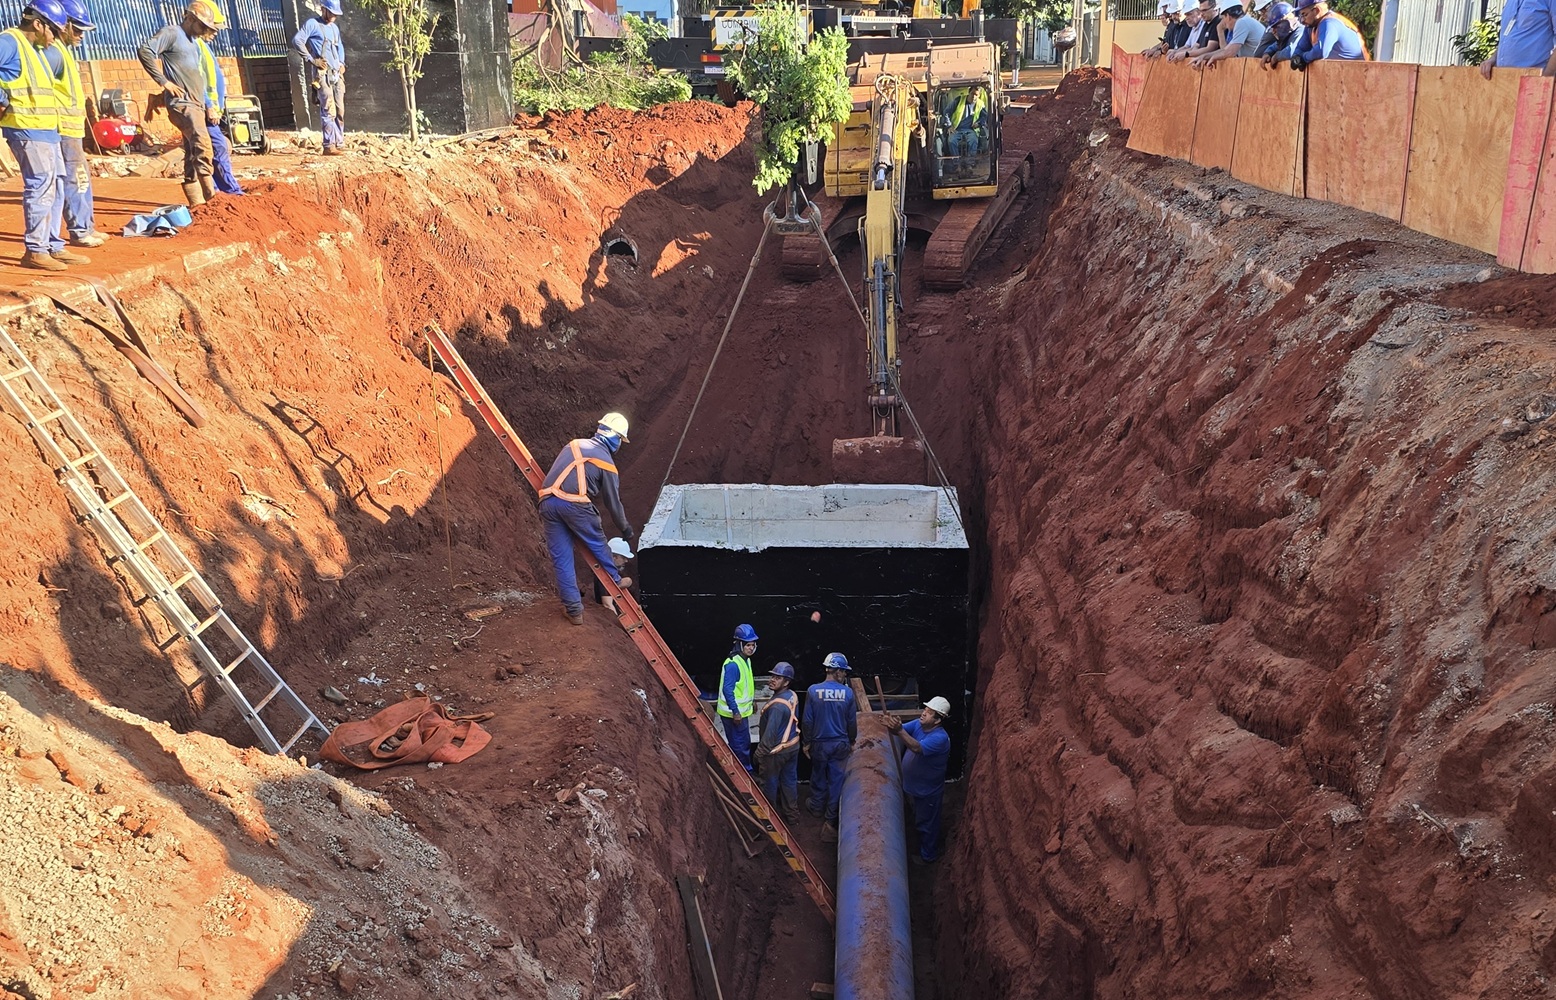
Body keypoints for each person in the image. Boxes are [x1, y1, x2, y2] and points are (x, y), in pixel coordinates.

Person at [2, 0, 81, 271]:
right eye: (53, 31)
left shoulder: (36, 50)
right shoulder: (10, 42)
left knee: (56, 186)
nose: (55, 38)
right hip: (26, 127)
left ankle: (52, 244)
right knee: (39, 187)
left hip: (48, 130)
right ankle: (35, 250)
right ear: (38, 23)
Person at [537, 412, 634, 626]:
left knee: (562, 558)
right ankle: (616, 580)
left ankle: (573, 610)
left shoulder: (573, 445)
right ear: (616, 438)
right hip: (574, 504)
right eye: (620, 440)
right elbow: (613, 503)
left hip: (547, 502)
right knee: (598, 543)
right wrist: (625, 528)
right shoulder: (606, 463)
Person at [138, 0, 225, 207]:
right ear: (191, 18)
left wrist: (207, 103)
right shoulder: (172, 33)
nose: (205, 31)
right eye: (203, 26)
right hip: (182, 103)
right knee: (203, 144)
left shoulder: (193, 43)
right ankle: (211, 198)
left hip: (195, 103)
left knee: (192, 150)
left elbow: (197, 78)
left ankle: (197, 204)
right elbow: (145, 51)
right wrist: (164, 82)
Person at [48, 0, 108, 248]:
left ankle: (85, 226)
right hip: (62, 128)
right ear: (63, 25)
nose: (81, 35)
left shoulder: (62, 51)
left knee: (78, 178)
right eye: (77, 29)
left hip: (71, 128)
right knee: (75, 179)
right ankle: (81, 230)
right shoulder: (53, 53)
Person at [885, 696, 953, 865]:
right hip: (913, 787)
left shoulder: (940, 738)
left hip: (927, 792)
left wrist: (899, 730)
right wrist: (893, 724)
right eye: (924, 710)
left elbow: (916, 747)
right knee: (918, 819)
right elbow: (899, 730)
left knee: (927, 824)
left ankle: (928, 856)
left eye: (929, 713)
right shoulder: (919, 725)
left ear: (937, 720)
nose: (923, 714)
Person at [803, 651, 858, 843]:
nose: (845, 675)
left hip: (819, 743)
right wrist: (852, 740)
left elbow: (808, 721)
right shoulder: (848, 693)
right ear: (837, 671)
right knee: (836, 781)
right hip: (840, 742)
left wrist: (807, 743)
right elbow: (852, 722)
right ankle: (830, 820)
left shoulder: (812, 691)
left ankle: (816, 807)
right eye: (844, 672)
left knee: (818, 775)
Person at [292, 0, 346, 155]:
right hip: (322, 75)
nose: (334, 17)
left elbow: (339, 46)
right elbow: (297, 40)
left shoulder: (334, 28)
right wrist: (312, 59)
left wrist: (342, 63)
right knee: (329, 108)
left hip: (336, 74)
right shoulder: (312, 24)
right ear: (324, 10)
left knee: (340, 109)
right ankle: (329, 145)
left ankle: (339, 141)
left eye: (336, 14)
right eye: (332, 13)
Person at [195, 35, 242, 195]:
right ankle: (230, 191)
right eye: (213, 28)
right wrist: (209, 105)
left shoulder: (202, 45)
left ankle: (218, 190)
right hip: (204, 109)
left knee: (213, 148)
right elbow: (196, 80)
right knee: (217, 147)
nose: (215, 33)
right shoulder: (194, 45)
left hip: (211, 108)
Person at [755, 661, 801, 820]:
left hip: (775, 752)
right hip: (793, 746)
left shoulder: (776, 707)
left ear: (786, 682)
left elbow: (769, 737)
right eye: (773, 676)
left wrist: (759, 755)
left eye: (778, 677)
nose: (773, 679)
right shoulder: (792, 695)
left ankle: (770, 819)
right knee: (789, 781)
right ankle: (792, 816)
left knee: (769, 784)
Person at [1272, 0, 1367, 68]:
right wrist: (1297, 57)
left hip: (1357, 74)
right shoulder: (1310, 26)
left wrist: (1303, 58)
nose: (1302, 20)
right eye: (1301, 15)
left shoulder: (1330, 23)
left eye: (1304, 14)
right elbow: (1300, 48)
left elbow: (1321, 51)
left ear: (1316, 11)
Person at [718, 624, 759, 772]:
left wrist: (752, 700)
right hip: (733, 715)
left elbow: (745, 685)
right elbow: (728, 690)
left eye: (753, 644)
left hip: (741, 714)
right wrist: (735, 711)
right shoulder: (733, 664)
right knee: (739, 747)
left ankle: (746, 772)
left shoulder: (745, 660)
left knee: (744, 744)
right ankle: (744, 775)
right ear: (739, 644)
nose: (751, 648)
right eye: (748, 644)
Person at [1479, 0, 1556, 80]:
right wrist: (1493, 59)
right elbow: (1508, 39)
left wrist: (1546, 78)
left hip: (1532, 80)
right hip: (1502, 80)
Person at [1192, 0, 1264, 65]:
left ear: (1228, 16)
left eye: (1223, 18)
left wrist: (1212, 58)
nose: (1222, 22)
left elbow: (1230, 52)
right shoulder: (1244, 21)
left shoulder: (1242, 23)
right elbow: (1225, 49)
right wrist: (1204, 56)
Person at [592, 536, 634, 615]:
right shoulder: (604, 575)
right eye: (623, 557)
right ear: (614, 557)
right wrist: (617, 625)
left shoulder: (613, 572)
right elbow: (607, 604)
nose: (626, 560)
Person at [943, 86, 987, 158]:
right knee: (951, 141)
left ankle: (970, 162)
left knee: (973, 141)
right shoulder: (958, 100)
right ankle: (956, 163)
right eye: (972, 94)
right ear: (968, 92)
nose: (974, 97)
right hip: (956, 129)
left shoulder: (980, 104)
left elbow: (984, 117)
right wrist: (949, 126)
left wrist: (978, 123)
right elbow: (946, 112)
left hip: (971, 130)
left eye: (976, 95)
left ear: (979, 95)